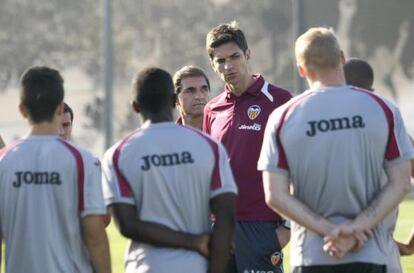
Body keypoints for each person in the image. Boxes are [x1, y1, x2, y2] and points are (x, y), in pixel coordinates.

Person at [258, 27, 414, 273]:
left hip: (311, 257)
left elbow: (275, 195)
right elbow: (402, 182)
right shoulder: (383, 108)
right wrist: (356, 228)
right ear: (341, 58)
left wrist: (329, 231)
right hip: (373, 254)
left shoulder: (283, 117)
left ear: (301, 69)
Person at [101, 67, 237, 273]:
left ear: (136, 106)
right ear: (174, 99)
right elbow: (226, 215)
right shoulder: (209, 147)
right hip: (196, 267)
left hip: (146, 267)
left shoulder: (118, 154)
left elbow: (127, 225)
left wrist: (193, 241)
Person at [0, 66, 111, 273]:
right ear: (60, 108)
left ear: (22, 109)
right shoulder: (83, 161)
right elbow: (95, 238)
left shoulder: (4, 162)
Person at [203, 21, 292, 273]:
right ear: (212, 64)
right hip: (220, 227)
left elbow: (298, 165)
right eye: (220, 61)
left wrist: (286, 229)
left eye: (234, 56)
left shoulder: (280, 100)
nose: (228, 66)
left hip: (263, 225)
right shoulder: (212, 109)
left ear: (248, 54)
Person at [344, 58, 414, 270]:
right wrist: (411, 244)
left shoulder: (319, 132)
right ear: (372, 90)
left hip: (329, 249)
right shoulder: (397, 135)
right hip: (383, 252)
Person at [173, 65, 210, 129]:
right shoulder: (169, 137)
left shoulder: (223, 132)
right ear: (176, 99)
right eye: (190, 90)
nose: (199, 96)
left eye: (204, 89)